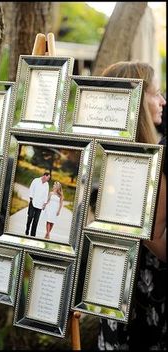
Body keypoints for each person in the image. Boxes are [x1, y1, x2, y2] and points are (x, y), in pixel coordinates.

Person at [96, 61, 167, 351]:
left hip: (133, 287)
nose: (163, 101)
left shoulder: (102, 153)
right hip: (124, 286)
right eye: (157, 93)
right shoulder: (100, 154)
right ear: (137, 100)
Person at [25, 172, 50, 237]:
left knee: (36, 220)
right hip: (33, 202)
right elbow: (31, 189)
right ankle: (27, 229)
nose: (48, 179)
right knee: (30, 217)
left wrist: (44, 204)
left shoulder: (46, 184)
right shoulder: (36, 180)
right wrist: (31, 198)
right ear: (44, 176)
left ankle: (33, 234)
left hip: (40, 205)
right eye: (48, 177)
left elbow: (46, 194)